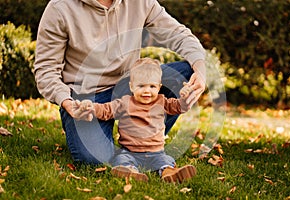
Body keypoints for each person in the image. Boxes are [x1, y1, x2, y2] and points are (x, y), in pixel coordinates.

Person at [34, 0, 206, 165]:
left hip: (132, 87)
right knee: (96, 159)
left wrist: (200, 70)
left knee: (186, 71)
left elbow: (180, 36)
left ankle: (145, 143)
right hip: (87, 97)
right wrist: (66, 101)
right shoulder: (60, 8)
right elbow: (46, 70)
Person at [75, 58, 196, 183]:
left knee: (166, 160)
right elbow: (106, 110)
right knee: (121, 160)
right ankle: (130, 172)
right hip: (129, 151)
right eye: (141, 86)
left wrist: (185, 99)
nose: (147, 91)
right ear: (131, 86)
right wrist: (92, 107)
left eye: (152, 86)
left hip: (156, 153)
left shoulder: (162, 102)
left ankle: (169, 173)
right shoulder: (125, 102)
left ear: (159, 87)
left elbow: (179, 107)